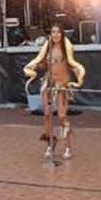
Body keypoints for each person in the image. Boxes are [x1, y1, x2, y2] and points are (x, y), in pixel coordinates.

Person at [22, 24, 86, 160]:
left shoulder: (67, 48)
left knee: (62, 116)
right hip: (48, 84)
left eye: (58, 32)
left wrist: (79, 73)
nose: (56, 34)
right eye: (53, 32)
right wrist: (36, 66)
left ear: (62, 34)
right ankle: (50, 144)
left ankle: (68, 146)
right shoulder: (48, 48)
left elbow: (72, 64)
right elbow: (45, 64)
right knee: (46, 114)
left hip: (62, 86)